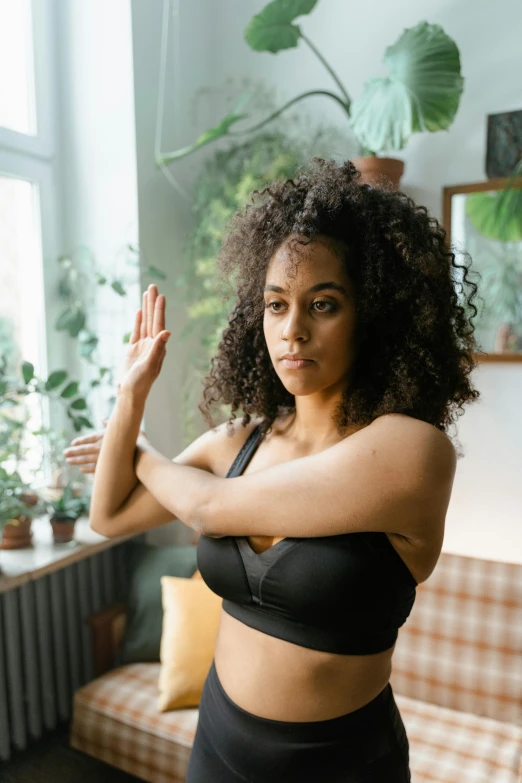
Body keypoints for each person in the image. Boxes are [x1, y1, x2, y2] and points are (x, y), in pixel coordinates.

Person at [63, 158, 481, 782]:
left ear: (373, 315)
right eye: (276, 304)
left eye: (324, 304)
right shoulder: (237, 441)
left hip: (342, 765)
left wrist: (142, 453)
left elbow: (207, 508)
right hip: (218, 746)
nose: (293, 331)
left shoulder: (411, 451)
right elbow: (108, 514)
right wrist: (130, 396)